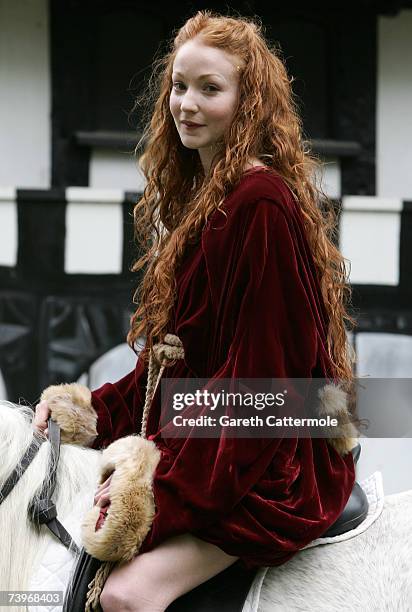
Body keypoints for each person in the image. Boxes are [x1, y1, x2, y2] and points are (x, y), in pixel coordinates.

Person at [33, 10, 358, 612]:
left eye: (211, 89)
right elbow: (174, 366)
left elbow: (264, 385)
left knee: (127, 596)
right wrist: (86, 412)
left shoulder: (259, 202)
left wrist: (164, 498)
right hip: (213, 443)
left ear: (249, 102)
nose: (186, 103)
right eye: (180, 85)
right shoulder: (205, 198)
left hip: (267, 457)